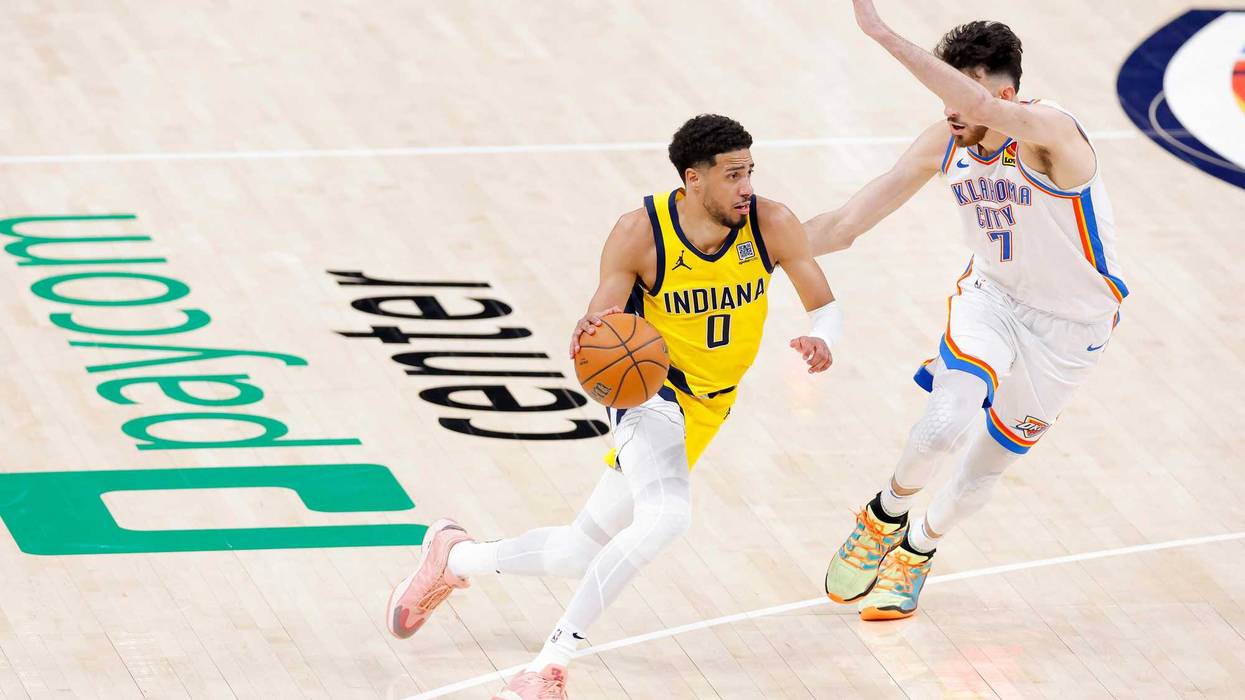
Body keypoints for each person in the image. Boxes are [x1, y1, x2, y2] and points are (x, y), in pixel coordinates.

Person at [389, 114, 844, 698]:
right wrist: (591, 330)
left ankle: (457, 557)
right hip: (651, 393)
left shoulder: (770, 223)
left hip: (710, 406)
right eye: (733, 175)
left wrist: (823, 337)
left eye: (750, 171)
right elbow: (600, 323)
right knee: (667, 517)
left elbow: (823, 303)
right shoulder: (640, 233)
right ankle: (546, 668)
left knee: (579, 551)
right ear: (692, 179)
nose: (746, 186)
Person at [811, 1, 1128, 621]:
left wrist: (879, 32)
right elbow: (847, 224)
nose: (952, 110)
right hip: (993, 300)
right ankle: (883, 514)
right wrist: (751, 249)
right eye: (946, 94)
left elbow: (981, 109)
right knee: (942, 424)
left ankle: (919, 548)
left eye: (965, 92)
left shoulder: (1054, 135)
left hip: (1073, 329)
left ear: (1007, 93)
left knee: (981, 473)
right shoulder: (946, 140)